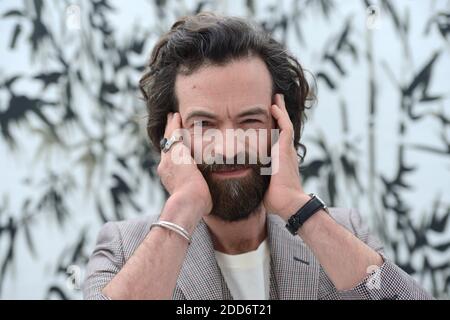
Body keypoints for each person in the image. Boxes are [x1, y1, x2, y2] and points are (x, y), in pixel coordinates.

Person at [83, 12, 433, 300]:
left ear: (282, 127)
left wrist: (298, 206)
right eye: (204, 124)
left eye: (250, 120)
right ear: (170, 137)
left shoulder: (343, 233)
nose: (230, 147)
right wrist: (184, 206)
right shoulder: (123, 247)